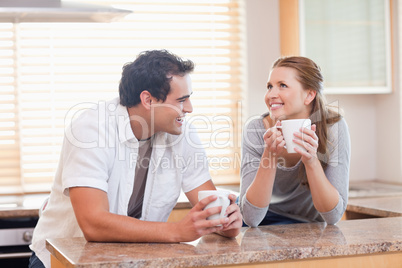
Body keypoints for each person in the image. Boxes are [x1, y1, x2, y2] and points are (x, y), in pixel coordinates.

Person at [29, 50, 242, 268]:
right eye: (181, 100)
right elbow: (93, 224)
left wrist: (228, 222)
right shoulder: (91, 130)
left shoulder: (182, 134)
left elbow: (210, 207)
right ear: (148, 99)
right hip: (61, 260)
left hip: (132, 259)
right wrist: (177, 230)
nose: (189, 108)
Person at [239, 56, 350, 227]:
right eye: (269, 86)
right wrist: (269, 155)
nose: (271, 95)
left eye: (282, 85)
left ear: (309, 95)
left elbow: (333, 216)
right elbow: (251, 218)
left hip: (306, 224)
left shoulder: (333, 128)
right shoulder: (255, 130)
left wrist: (311, 161)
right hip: (262, 218)